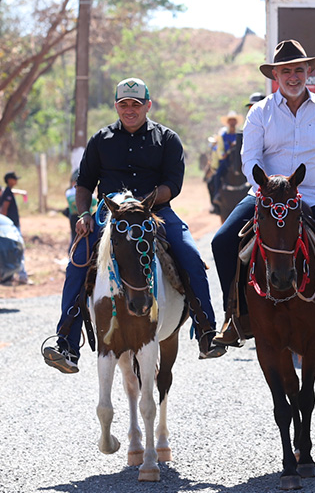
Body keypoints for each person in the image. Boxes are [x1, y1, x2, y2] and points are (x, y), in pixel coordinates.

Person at [42, 78, 219, 373]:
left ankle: (207, 331)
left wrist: (143, 203)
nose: (129, 110)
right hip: (109, 215)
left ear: (147, 105)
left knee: (189, 252)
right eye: (124, 104)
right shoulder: (101, 140)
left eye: (136, 104)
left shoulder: (168, 139)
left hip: (155, 212)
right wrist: (83, 215)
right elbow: (84, 183)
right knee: (78, 262)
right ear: (116, 106)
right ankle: (67, 344)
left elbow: (172, 184)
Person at [210, 40, 315, 352]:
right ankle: (234, 317)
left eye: (299, 70)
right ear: (275, 75)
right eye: (286, 71)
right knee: (222, 241)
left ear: (309, 73)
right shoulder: (259, 113)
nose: (293, 76)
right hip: (266, 198)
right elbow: (250, 159)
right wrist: (266, 189)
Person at [210, 111, 242, 209]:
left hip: (239, 159)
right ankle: (217, 195)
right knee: (217, 174)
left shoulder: (240, 134)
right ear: (228, 123)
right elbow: (220, 150)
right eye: (230, 121)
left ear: (236, 122)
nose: (232, 123)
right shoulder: (223, 136)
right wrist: (226, 153)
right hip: (227, 160)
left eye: (233, 121)